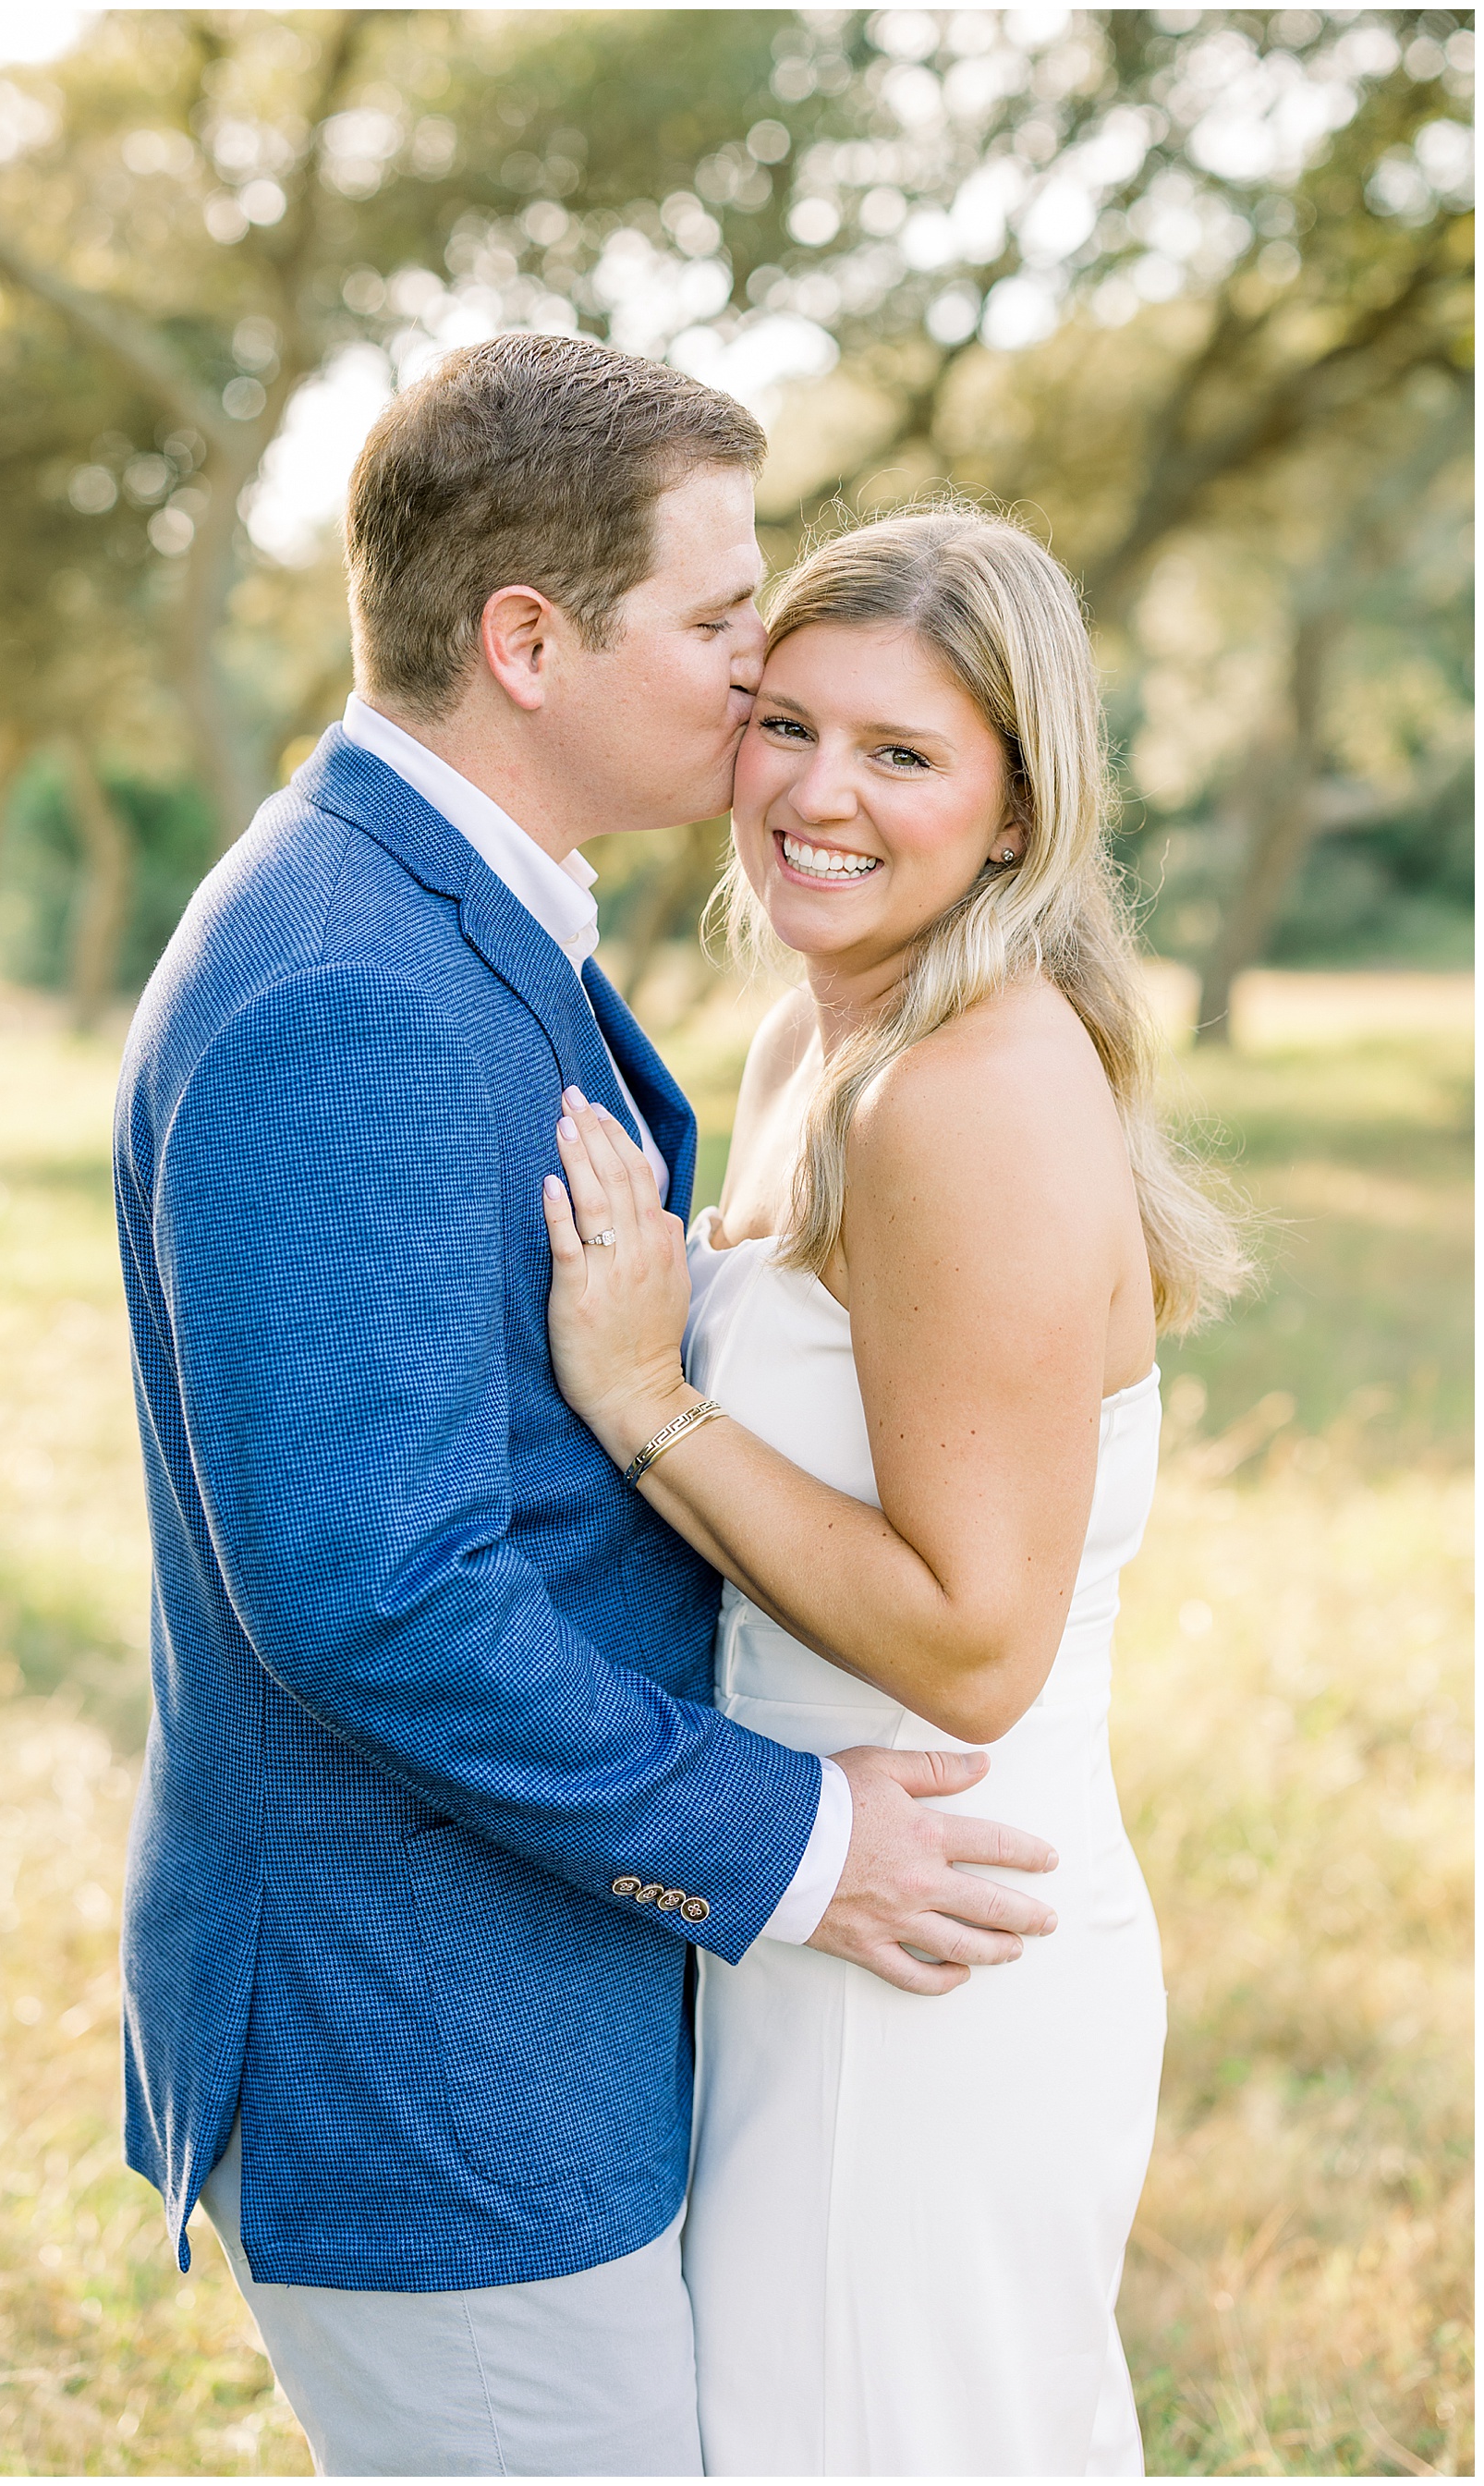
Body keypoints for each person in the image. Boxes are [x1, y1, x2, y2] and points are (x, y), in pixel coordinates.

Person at [113, 340, 1061, 2479]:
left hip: (544, 2008)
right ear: (529, 640)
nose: (759, 679)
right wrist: (799, 1845)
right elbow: (371, 1596)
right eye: (726, 626)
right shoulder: (350, 982)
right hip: (432, 2051)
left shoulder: (459, 920)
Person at [541, 506, 1248, 2476]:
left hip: (935, 1941)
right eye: (786, 725)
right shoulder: (815, 1037)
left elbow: (974, 1641)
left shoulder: (969, 1093)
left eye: (904, 754)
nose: (815, 794)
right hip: (818, 1894)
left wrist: (640, 1394)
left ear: (1020, 812)